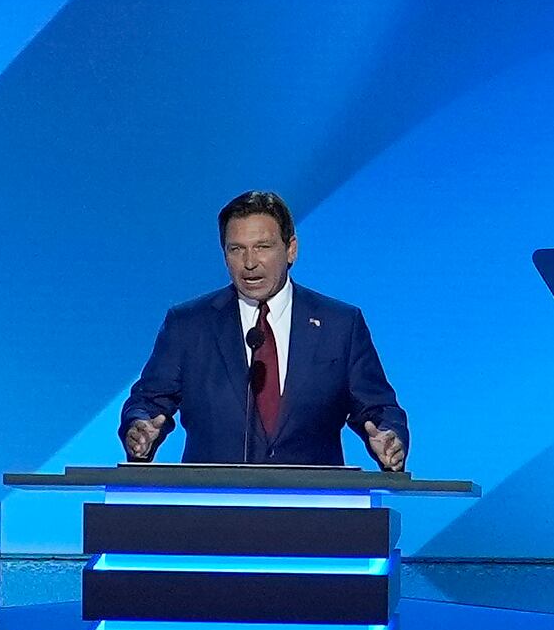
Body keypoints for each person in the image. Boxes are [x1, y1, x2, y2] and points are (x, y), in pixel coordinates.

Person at [121, 189, 409, 471]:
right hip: (215, 499)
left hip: (312, 500)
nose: (249, 263)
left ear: (291, 249)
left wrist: (389, 437)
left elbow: (378, 408)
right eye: (237, 249)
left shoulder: (340, 324)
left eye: (263, 247)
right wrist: (140, 428)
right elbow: (148, 401)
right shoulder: (189, 325)